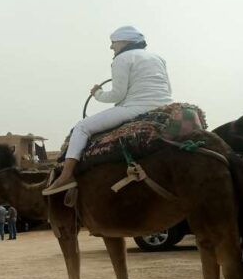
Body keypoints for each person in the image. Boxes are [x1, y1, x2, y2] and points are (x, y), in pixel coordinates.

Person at [43, 26, 173, 194]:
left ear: (125, 41)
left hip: (135, 108)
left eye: (113, 43)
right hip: (164, 106)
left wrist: (97, 93)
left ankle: (66, 176)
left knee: (81, 127)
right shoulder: (158, 58)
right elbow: (168, 89)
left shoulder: (122, 58)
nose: (112, 47)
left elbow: (117, 95)